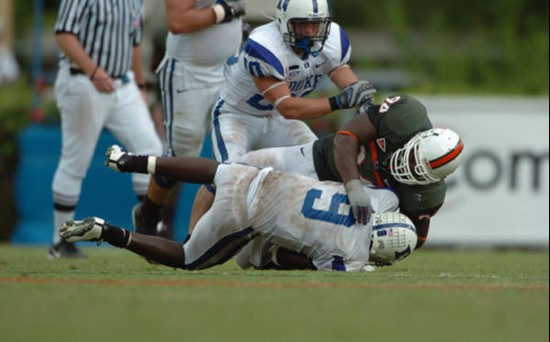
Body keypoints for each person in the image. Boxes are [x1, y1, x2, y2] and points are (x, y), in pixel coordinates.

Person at [58, 145, 418, 271]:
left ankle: (130, 160)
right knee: (186, 257)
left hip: (264, 178)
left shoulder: (382, 201)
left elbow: (382, 195)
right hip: (243, 218)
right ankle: (108, 231)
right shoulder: (352, 258)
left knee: (215, 170)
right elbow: (298, 261)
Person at [183, 0, 376, 234]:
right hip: (238, 116)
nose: (308, 31)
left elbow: (342, 76)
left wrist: (363, 100)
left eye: (314, 24)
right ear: (284, 23)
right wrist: (337, 102)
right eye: (301, 24)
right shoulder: (265, 45)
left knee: (319, 166)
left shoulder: (332, 40)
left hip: (278, 120)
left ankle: (314, 238)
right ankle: (191, 238)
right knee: (227, 175)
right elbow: (288, 107)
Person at [238, 94, 464, 251]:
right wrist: (353, 185)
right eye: (414, 159)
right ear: (418, 140)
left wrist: (384, 243)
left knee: (253, 253)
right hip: (319, 164)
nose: (411, 168)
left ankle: (273, 256)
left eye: (420, 172)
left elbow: (417, 238)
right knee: (239, 170)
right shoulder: (405, 117)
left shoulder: (427, 196)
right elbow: (345, 138)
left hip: (339, 213)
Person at [48, 0, 163, 259]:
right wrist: (94, 70)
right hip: (84, 79)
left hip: (123, 83)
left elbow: (134, 43)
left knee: (151, 149)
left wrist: (141, 85)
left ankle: (147, 232)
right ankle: (60, 241)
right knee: (75, 160)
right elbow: (64, 34)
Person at [132, 0, 247, 236]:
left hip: (229, 68)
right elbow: (178, 22)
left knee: (234, 150)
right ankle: (150, 212)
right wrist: (223, 11)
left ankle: (213, 232)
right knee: (182, 154)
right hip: (190, 73)